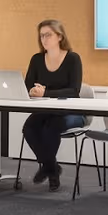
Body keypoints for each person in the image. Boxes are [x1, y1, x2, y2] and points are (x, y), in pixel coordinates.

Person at [22, 19, 84, 192]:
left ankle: (51, 172)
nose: (44, 39)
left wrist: (46, 92)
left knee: (50, 128)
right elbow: (27, 86)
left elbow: (74, 90)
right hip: (46, 110)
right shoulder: (36, 59)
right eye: (41, 36)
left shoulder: (72, 58)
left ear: (60, 36)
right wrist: (33, 91)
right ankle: (52, 167)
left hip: (70, 111)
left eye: (48, 35)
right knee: (29, 128)